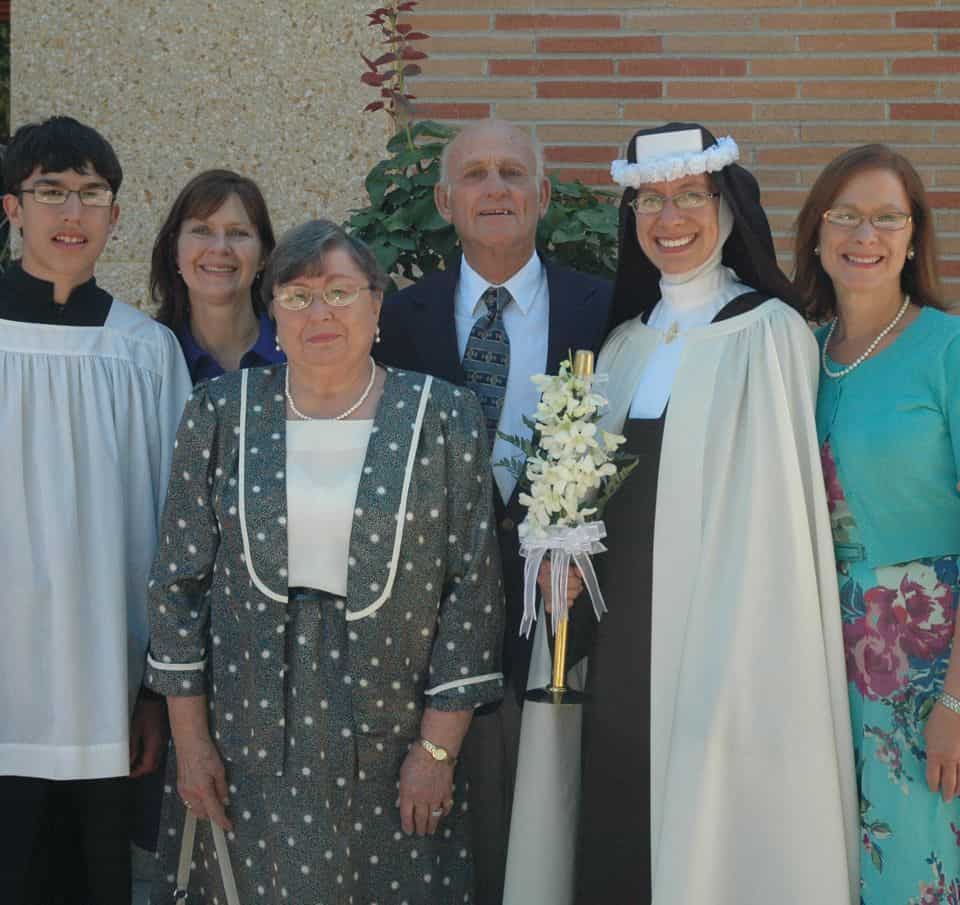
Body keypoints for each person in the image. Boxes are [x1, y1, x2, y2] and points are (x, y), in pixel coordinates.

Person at [145, 219, 505, 905]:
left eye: (340, 292)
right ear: (272, 307)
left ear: (376, 305)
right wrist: (191, 745)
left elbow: (471, 593)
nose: (321, 312)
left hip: (396, 722)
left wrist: (436, 752)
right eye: (299, 294)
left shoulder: (443, 416)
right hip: (243, 726)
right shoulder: (221, 411)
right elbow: (177, 587)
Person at [550, 122, 859, 905]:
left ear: (727, 211)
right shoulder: (619, 348)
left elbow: (780, 528)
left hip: (729, 650)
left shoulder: (771, 334)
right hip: (622, 642)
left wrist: (737, 656)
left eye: (690, 195)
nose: (670, 216)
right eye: (650, 200)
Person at [376, 119, 611, 905]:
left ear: (543, 195)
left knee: (551, 831)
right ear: (445, 200)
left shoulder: (604, 311)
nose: (496, 188)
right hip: (426, 624)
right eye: (475, 175)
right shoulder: (395, 319)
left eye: (514, 172)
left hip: (565, 624)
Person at [0, 116, 192, 905]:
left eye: (91, 194)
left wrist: (154, 689)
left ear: (117, 213)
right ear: (12, 207)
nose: (71, 214)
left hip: (102, 686)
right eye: (51, 193)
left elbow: (178, 529)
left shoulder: (143, 351)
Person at [795, 144, 959, 904]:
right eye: (847, 215)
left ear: (914, 235)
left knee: (919, 873)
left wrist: (956, 702)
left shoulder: (947, 350)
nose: (866, 234)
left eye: (887, 216)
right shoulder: (800, 352)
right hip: (819, 653)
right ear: (817, 231)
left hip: (926, 661)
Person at [151, 168, 282, 383]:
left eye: (238, 233)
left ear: (263, 256)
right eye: (202, 230)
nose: (220, 248)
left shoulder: (296, 352)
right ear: (175, 250)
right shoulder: (148, 358)